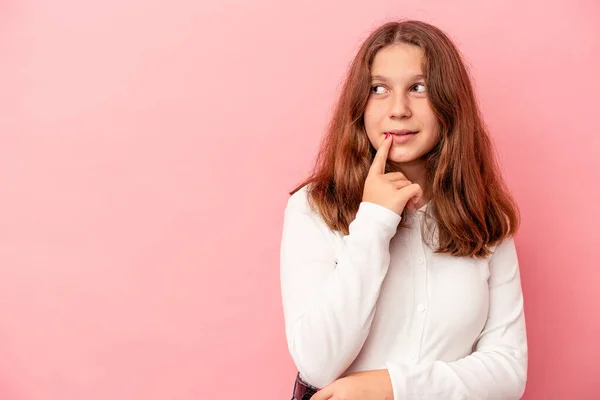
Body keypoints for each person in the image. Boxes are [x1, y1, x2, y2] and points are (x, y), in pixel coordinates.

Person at [279, 20, 528, 400]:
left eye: (419, 88)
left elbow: (507, 370)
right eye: (379, 89)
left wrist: (391, 387)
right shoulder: (313, 208)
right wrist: (374, 222)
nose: (398, 110)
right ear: (359, 103)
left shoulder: (484, 217)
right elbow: (317, 363)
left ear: (448, 101)